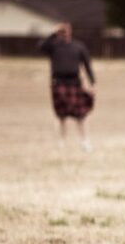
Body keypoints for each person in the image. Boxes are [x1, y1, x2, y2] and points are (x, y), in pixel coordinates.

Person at [39, 22, 96, 151]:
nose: (64, 34)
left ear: (71, 31)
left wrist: (92, 83)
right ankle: (61, 143)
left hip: (75, 83)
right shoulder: (53, 46)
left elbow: (87, 65)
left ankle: (85, 142)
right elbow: (41, 47)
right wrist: (53, 33)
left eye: (66, 31)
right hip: (58, 83)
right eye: (62, 31)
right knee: (60, 115)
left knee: (81, 114)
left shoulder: (78, 46)